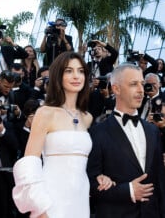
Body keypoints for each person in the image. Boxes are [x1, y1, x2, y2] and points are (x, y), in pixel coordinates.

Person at [12, 52, 113, 217]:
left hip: (80, 199)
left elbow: (83, 162)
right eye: (69, 71)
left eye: (80, 71)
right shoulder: (45, 113)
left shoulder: (87, 117)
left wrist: (100, 177)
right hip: (51, 199)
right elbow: (29, 164)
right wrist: (41, 209)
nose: (76, 76)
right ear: (58, 76)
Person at [87, 63, 165, 218]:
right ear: (116, 89)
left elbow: (160, 183)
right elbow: (91, 184)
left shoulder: (153, 130)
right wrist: (127, 190)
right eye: (133, 84)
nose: (141, 90)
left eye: (142, 84)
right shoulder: (97, 133)